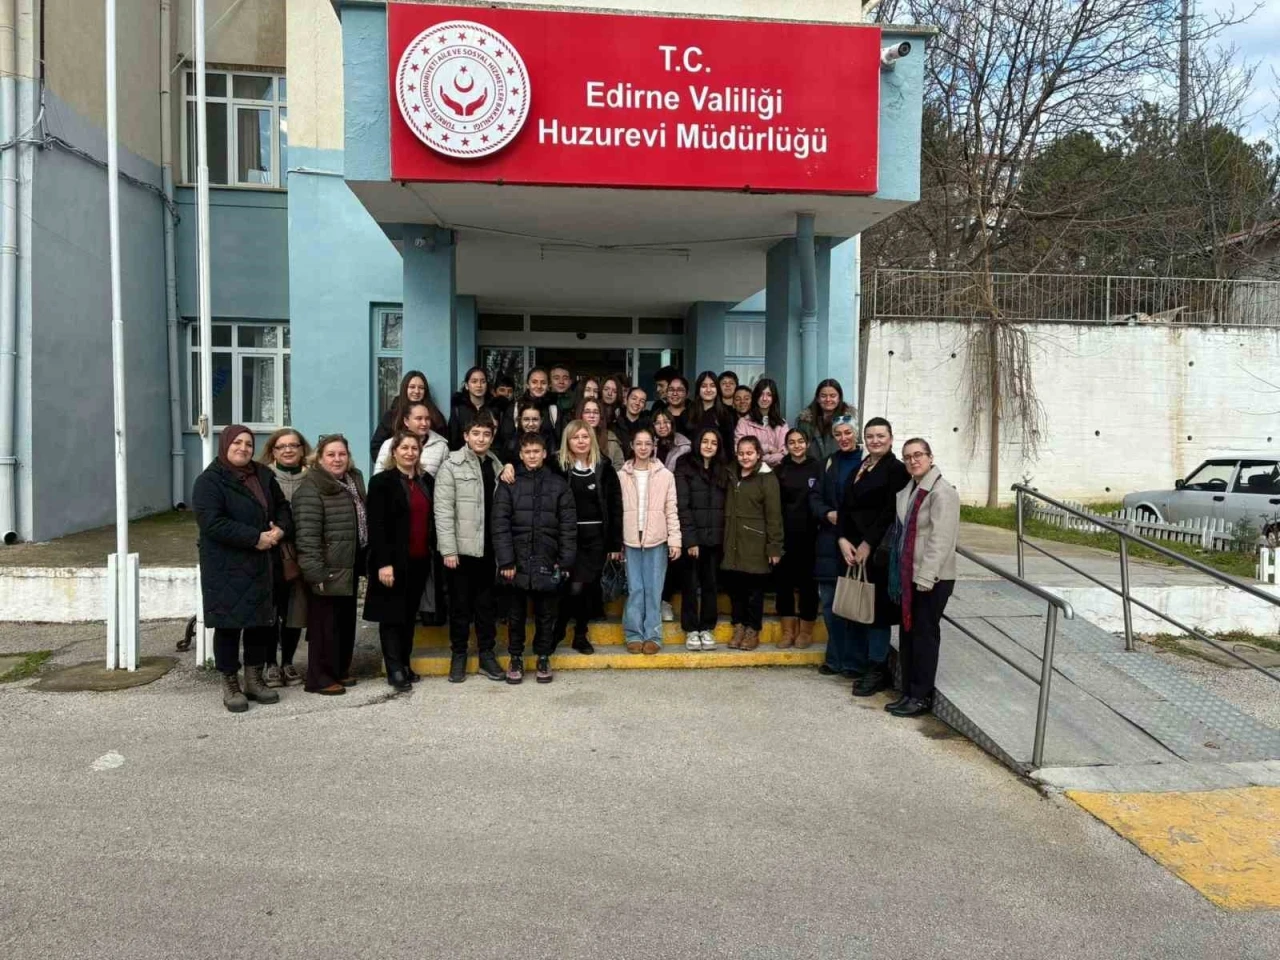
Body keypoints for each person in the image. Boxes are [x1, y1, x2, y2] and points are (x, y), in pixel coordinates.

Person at [193, 425, 293, 713]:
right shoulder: (210, 481)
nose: (243, 448)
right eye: (237, 442)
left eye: (248, 443)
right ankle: (230, 683)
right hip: (227, 566)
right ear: (225, 444)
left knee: (260, 623)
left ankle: (254, 679)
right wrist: (254, 538)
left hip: (262, 563)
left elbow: (283, 508)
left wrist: (280, 530)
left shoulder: (263, 475)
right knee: (229, 625)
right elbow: (212, 523)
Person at [492, 432, 577, 684]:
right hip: (516, 561)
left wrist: (565, 561)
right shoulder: (509, 483)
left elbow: (568, 526)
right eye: (527, 452)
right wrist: (506, 561)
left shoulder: (558, 485)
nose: (532, 456)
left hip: (547, 559)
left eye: (536, 451)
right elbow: (500, 524)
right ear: (520, 455)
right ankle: (515, 657)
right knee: (515, 615)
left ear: (544, 454)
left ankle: (543, 656)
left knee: (546, 614)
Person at [836, 417, 911, 697]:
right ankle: (858, 662)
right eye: (870, 436)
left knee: (877, 613)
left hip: (878, 552)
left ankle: (878, 668)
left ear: (891, 438)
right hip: (851, 549)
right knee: (858, 607)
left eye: (880, 436)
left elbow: (890, 511)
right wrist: (842, 539)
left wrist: (868, 543)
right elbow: (844, 506)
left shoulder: (897, 470)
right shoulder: (861, 466)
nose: (875, 440)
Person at [885, 439, 960, 717]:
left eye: (918, 455)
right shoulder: (912, 489)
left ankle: (920, 696)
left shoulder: (942, 492)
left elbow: (941, 540)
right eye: (907, 457)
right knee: (908, 634)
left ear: (930, 457)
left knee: (924, 636)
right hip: (910, 575)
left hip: (932, 578)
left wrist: (926, 578)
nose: (913, 460)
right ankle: (908, 691)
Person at [435, 412, 507, 683]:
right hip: (461, 552)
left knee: (486, 606)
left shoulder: (497, 465)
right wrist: (448, 550)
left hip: (489, 550)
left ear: (492, 437)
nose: (481, 439)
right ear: (466, 436)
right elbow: (443, 511)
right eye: (476, 433)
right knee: (460, 607)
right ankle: (459, 655)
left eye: (486, 434)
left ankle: (487, 654)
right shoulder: (451, 466)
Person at [293, 435, 367, 696]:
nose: (337, 459)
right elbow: (307, 535)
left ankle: (338, 670)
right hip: (327, 568)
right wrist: (315, 572)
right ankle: (319, 678)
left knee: (344, 622)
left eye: (342, 454)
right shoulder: (311, 487)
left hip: (348, 563)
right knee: (324, 626)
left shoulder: (353, 480)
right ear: (320, 458)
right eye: (331, 454)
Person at [363, 430, 434, 692]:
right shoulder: (381, 482)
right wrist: (383, 563)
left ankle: (405, 663)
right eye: (404, 448)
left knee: (408, 616)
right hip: (391, 562)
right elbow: (376, 525)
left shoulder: (426, 481)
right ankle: (394, 669)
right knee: (391, 616)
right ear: (394, 452)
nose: (409, 453)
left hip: (419, 559)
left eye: (414, 448)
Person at [554, 420, 623, 655]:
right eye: (576, 437)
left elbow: (615, 507)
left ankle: (579, 635)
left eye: (585, 436)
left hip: (596, 539)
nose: (581, 441)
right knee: (571, 587)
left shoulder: (604, 467)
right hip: (569, 537)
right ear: (568, 441)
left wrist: (614, 543)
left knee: (584, 587)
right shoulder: (558, 466)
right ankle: (560, 629)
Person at [618, 427, 681, 654]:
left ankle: (653, 635)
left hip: (657, 539)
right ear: (632, 446)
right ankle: (633, 634)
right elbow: (616, 511)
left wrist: (675, 540)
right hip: (631, 539)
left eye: (647, 443)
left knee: (654, 589)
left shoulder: (665, 476)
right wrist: (616, 542)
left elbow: (671, 509)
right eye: (639, 443)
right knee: (635, 588)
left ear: (654, 446)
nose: (643, 448)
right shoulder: (622, 475)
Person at [256, 428, 310, 688]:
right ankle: (270, 663)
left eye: (293, 445)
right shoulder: (262, 477)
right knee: (271, 610)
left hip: (302, 553)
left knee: (295, 611)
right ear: (273, 451)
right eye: (282, 446)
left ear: (302, 449)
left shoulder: (311, 477)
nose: (288, 450)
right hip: (270, 552)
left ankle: (288, 661)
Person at [813, 415, 864, 678]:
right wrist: (826, 513)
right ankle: (834, 659)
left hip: (856, 544)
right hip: (829, 543)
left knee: (854, 606)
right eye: (838, 434)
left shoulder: (867, 463)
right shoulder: (828, 463)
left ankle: (854, 663)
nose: (843, 438)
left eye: (848, 432)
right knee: (830, 605)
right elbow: (814, 497)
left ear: (856, 434)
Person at [722, 436, 783, 651]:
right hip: (733, 541)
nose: (745, 457)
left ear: (758, 454)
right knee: (736, 589)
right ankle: (738, 626)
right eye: (741, 453)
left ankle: (752, 629)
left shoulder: (767, 478)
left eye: (749, 453)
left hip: (755, 543)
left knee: (754, 591)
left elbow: (774, 516)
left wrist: (774, 546)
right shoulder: (731, 474)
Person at [675, 427, 727, 651]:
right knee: (689, 585)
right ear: (698, 442)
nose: (709, 446)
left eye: (713, 443)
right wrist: (690, 540)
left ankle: (707, 627)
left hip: (715, 538)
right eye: (705, 441)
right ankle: (691, 629)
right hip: (692, 539)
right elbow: (682, 505)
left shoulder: (722, 468)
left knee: (710, 584)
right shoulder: (684, 465)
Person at [773, 429, 821, 649]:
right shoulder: (780, 470)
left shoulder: (818, 468)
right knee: (783, 583)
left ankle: (805, 630)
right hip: (785, 534)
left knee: (808, 584)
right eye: (791, 442)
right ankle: (787, 631)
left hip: (811, 535)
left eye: (801, 441)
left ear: (807, 443)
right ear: (786, 446)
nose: (797, 445)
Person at [370, 370, 446, 465]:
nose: (417, 391)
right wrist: (396, 464)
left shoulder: (435, 416)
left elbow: (443, 447)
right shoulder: (391, 416)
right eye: (412, 387)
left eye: (421, 388)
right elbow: (376, 447)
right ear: (404, 389)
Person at [375, 400, 448, 478]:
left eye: (427, 419)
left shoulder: (441, 446)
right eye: (419, 419)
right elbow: (378, 477)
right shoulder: (389, 444)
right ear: (406, 421)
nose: (424, 423)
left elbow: (445, 480)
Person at [498, 367, 560, 454]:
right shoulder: (515, 408)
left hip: (548, 459)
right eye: (534, 382)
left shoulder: (553, 409)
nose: (539, 386)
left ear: (548, 385)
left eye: (543, 383)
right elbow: (506, 439)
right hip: (519, 459)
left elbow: (559, 440)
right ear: (527, 385)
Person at [797, 379, 858, 463]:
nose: (828, 399)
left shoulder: (848, 420)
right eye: (823, 396)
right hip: (812, 467)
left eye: (833, 396)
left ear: (839, 398)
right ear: (817, 398)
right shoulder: (805, 420)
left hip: (841, 465)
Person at [734, 377, 788, 466]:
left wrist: (758, 458)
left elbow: (784, 454)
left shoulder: (782, 424)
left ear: (774, 398)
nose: (764, 398)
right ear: (756, 396)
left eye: (769, 395)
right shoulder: (744, 422)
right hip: (751, 471)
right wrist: (769, 448)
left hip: (777, 472)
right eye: (761, 394)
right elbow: (739, 450)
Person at [448, 366, 496, 451]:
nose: (479, 385)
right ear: (467, 385)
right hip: (463, 456)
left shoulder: (494, 409)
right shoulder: (458, 410)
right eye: (474, 381)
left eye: (483, 382)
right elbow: (452, 440)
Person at [575, 397, 625, 471]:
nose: (592, 416)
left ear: (600, 416)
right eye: (587, 412)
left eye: (596, 412)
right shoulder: (571, 437)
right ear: (581, 415)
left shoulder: (610, 438)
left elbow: (619, 466)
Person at [692, 370, 736, 452]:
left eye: (712, 386)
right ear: (698, 389)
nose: (708, 390)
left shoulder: (725, 414)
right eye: (704, 386)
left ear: (717, 389)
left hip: (720, 459)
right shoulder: (688, 413)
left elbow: (729, 447)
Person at [612, 386, 650, 458]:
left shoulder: (648, 427)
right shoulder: (614, 426)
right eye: (634, 398)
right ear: (626, 401)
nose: (637, 403)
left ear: (644, 407)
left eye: (642, 401)